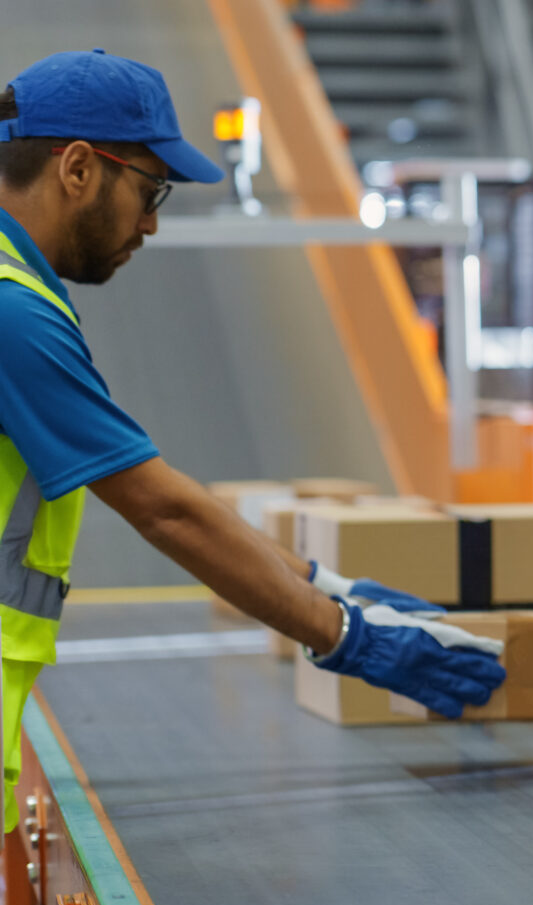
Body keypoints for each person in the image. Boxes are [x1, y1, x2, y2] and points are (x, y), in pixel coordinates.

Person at [0, 50, 506, 830]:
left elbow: (153, 481)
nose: (151, 221)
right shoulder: (13, 312)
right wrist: (347, 638)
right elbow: (160, 509)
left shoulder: (19, 290)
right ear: (75, 168)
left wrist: (331, 584)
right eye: (148, 187)